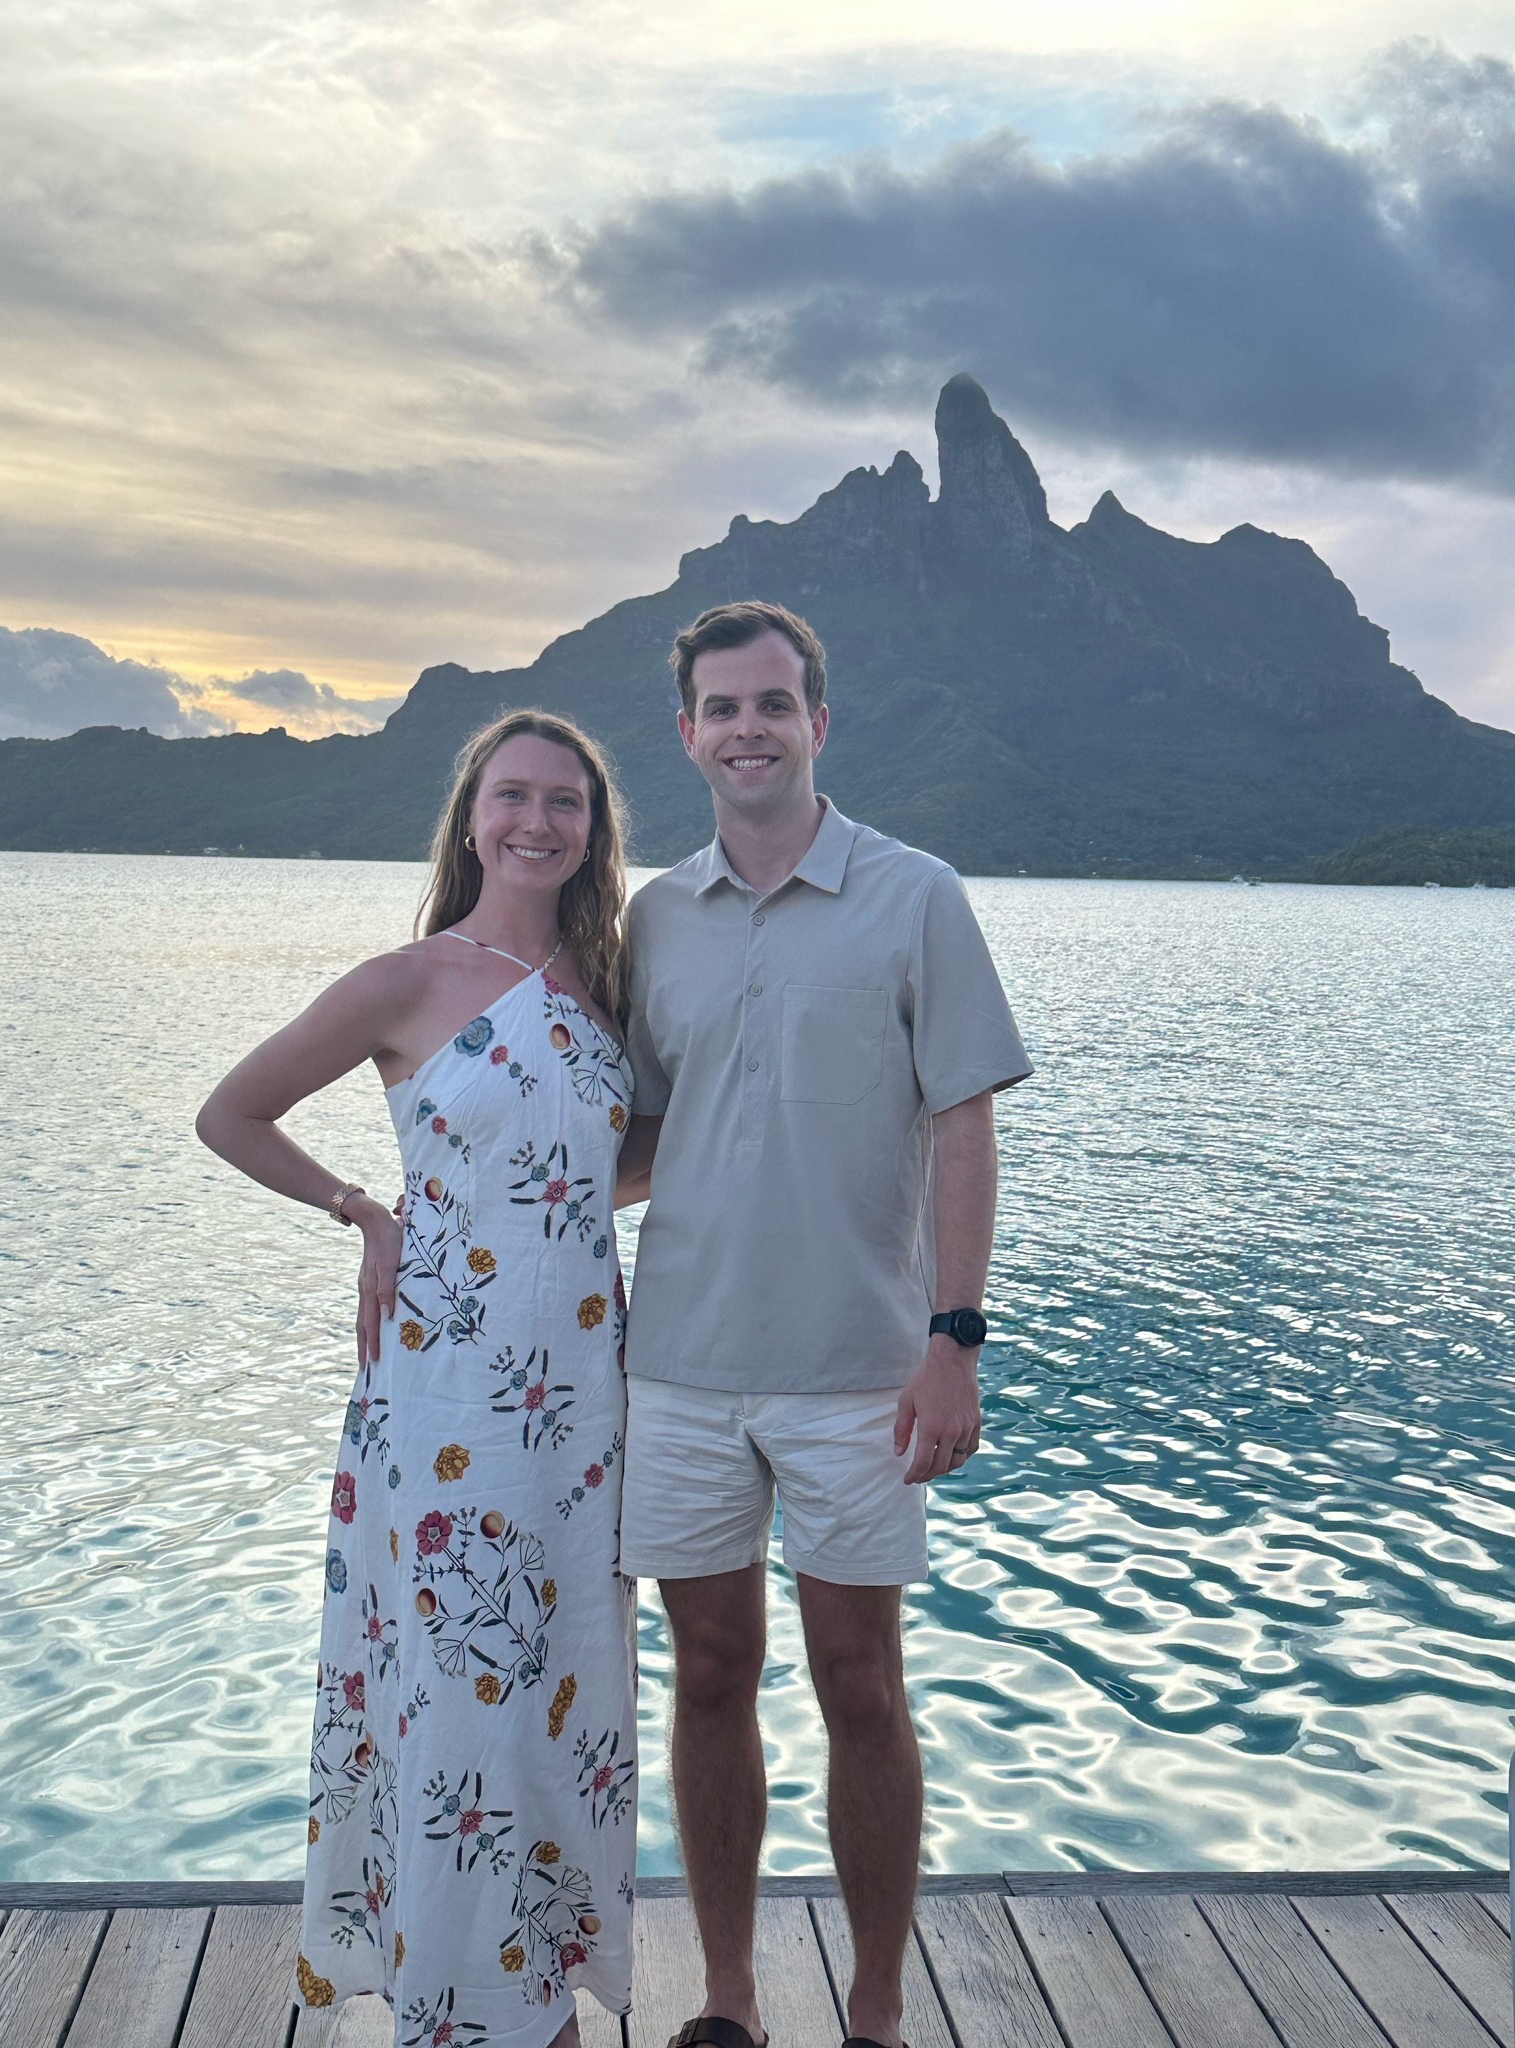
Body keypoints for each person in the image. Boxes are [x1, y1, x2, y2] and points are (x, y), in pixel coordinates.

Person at [617, 601, 1033, 2048]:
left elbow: (967, 1130)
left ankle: (873, 2008)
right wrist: (463, 1212)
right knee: (710, 1675)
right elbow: (641, 1137)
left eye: (773, 704)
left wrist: (955, 1336)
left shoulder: (916, 895)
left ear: (817, 724)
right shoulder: (655, 915)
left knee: (862, 1681)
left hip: (862, 1372)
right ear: (686, 735)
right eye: (720, 708)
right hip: (674, 1370)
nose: (748, 728)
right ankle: (727, 1998)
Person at [197, 710, 642, 2048]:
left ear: (592, 830)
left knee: (565, 1679)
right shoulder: (407, 980)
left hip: (581, 1391)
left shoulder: (610, 981)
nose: (538, 820)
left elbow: (611, 1162)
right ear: (470, 816)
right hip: (444, 1386)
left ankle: (535, 1986)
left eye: (566, 801)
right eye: (513, 795)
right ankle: (460, 2006)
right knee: (454, 1688)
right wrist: (365, 1214)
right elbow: (232, 1112)